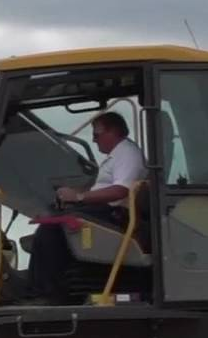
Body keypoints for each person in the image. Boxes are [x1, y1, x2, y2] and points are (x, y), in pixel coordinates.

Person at [27, 110, 146, 303]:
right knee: (50, 220)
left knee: (50, 229)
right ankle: (49, 288)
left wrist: (79, 197)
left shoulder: (127, 153)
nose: (93, 140)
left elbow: (120, 191)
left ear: (113, 131)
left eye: (97, 134)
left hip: (113, 214)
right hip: (105, 211)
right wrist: (74, 195)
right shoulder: (118, 154)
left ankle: (46, 293)